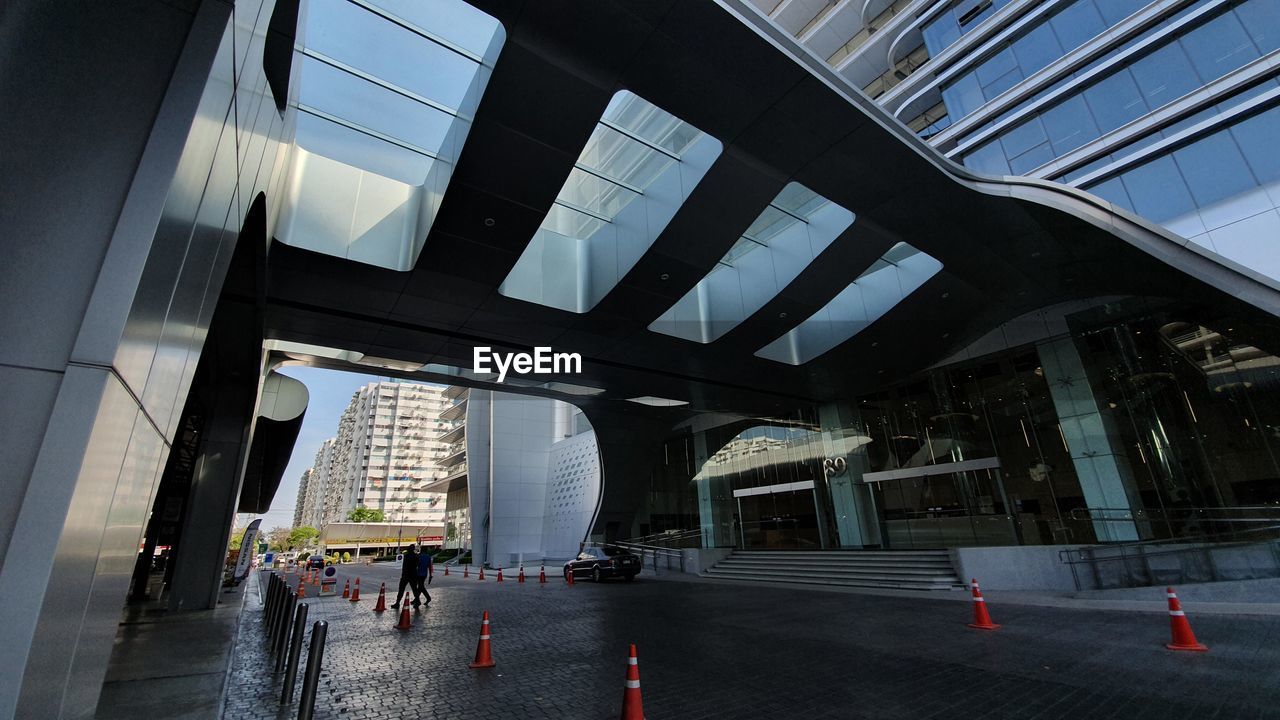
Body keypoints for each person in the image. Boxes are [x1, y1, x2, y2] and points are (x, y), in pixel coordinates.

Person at [391, 544, 418, 609]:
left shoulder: (406, 556)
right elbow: (417, 565)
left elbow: (404, 565)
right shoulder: (416, 556)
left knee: (401, 589)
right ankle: (417, 602)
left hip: (405, 575)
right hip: (413, 575)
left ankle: (397, 603)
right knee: (415, 589)